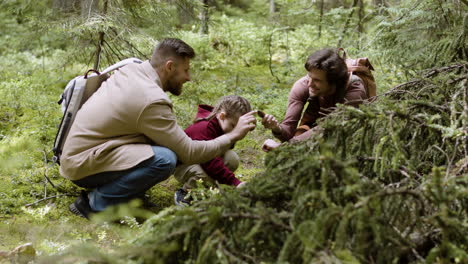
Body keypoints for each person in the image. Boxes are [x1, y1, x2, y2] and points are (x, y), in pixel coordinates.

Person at [60, 38, 257, 219]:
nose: (188, 78)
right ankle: (96, 204)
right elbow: (188, 152)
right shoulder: (150, 99)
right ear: (170, 67)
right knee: (165, 159)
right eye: (185, 70)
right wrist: (233, 135)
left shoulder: (133, 70)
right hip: (83, 165)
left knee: (165, 149)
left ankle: (125, 196)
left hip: (83, 154)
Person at [261, 48, 368, 151]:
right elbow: (288, 130)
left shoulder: (354, 90)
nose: (310, 83)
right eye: (309, 76)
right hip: (318, 128)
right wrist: (277, 128)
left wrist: (285, 148)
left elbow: (331, 129)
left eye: (317, 80)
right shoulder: (302, 85)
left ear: (333, 82)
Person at [173, 95, 252, 206]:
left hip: (201, 160)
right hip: (182, 165)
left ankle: (207, 187)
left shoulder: (221, 126)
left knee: (232, 158)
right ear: (222, 116)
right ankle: (185, 192)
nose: (236, 130)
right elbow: (210, 162)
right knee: (203, 174)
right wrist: (235, 182)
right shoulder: (204, 128)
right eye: (233, 125)